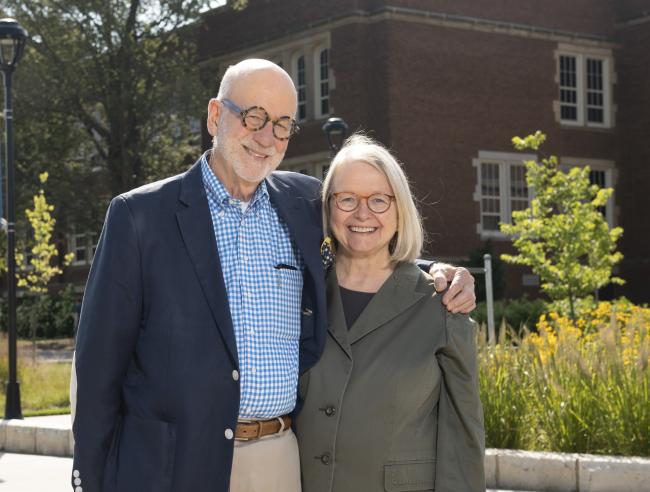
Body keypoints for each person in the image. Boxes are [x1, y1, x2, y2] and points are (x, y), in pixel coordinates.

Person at [71, 59, 476, 492]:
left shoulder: (303, 204)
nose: (267, 137)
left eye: (282, 125)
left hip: (279, 459)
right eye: (254, 118)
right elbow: (97, 370)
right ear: (215, 116)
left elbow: (364, 237)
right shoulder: (139, 216)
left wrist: (434, 273)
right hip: (172, 465)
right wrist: (91, 478)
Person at [296, 135, 485, 491]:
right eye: (347, 198)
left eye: (379, 200)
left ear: (400, 210)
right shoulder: (301, 293)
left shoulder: (442, 303)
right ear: (328, 207)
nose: (362, 213)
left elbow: (463, 433)